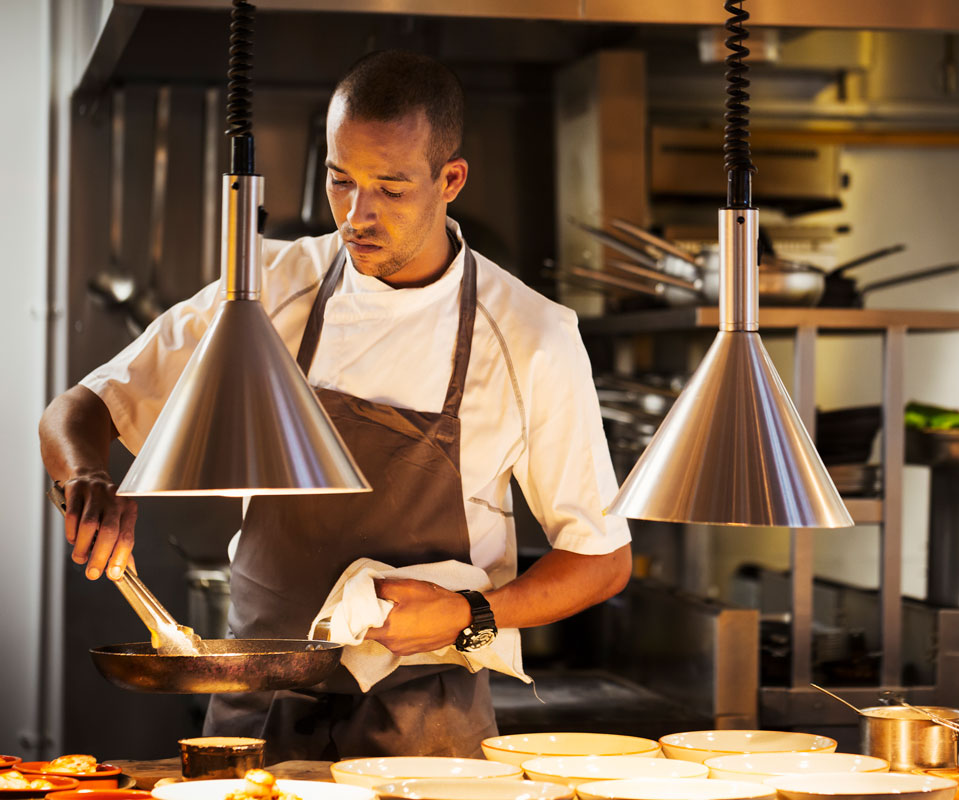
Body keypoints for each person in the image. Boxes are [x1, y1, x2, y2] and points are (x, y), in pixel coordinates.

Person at [38, 50, 632, 759]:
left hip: (422, 725)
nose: (357, 214)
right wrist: (88, 480)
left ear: (451, 180)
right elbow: (78, 409)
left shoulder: (532, 334)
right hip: (254, 705)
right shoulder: (265, 288)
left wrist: (470, 613)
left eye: (390, 187)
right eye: (339, 179)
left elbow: (601, 560)